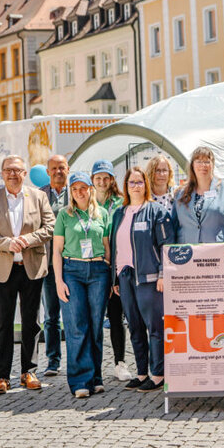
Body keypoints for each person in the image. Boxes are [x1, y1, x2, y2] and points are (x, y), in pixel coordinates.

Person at [0, 155, 55, 394]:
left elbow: (50, 226)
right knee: (3, 323)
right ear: (2, 174)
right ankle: (2, 375)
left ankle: (28, 371)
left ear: (25, 173)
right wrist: (6, 243)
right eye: (8, 170)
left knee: (31, 323)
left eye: (17, 170)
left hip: (31, 266)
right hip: (3, 269)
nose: (13, 174)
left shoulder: (39, 197)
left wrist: (28, 240)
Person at [110, 166, 176, 392]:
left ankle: (158, 374)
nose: (135, 186)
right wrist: (116, 278)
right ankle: (141, 373)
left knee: (155, 327)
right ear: (125, 187)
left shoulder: (156, 211)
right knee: (135, 327)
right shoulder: (119, 213)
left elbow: (166, 245)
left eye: (139, 182)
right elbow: (115, 246)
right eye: (131, 182)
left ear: (145, 185)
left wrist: (162, 273)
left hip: (149, 278)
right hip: (126, 276)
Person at [53, 172, 112, 397]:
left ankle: (96, 377)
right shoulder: (64, 216)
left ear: (90, 189)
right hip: (73, 272)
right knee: (77, 326)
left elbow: (107, 245)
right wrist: (59, 281)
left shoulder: (103, 214)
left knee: (96, 325)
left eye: (83, 187)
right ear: (71, 192)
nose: (80, 192)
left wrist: (106, 267)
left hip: (98, 272)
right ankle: (80, 381)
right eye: (75, 188)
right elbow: (57, 251)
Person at [91, 160, 133, 382]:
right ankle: (93, 364)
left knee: (116, 317)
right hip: (94, 266)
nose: (102, 181)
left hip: (116, 266)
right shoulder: (86, 203)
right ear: (92, 180)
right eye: (98, 177)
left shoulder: (120, 202)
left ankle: (120, 362)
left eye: (106, 177)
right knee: (94, 318)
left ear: (112, 180)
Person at [173, 146, 224, 244]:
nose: (203, 165)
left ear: (213, 165)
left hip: (219, 251)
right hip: (187, 253)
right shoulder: (179, 193)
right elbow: (174, 226)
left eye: (207, 161)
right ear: (192, 165)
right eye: (199, 161)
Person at [39, 154, 69, 376]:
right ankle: (53, 360)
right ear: (48, 172)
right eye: (54, 169)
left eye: (62, 168)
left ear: (68, 169)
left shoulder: (77, 192)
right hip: (49, 263)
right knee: (51, 315)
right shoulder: (38, 195)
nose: (58, 172)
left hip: (75, 261)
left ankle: (79, 360)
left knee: (76, 315)